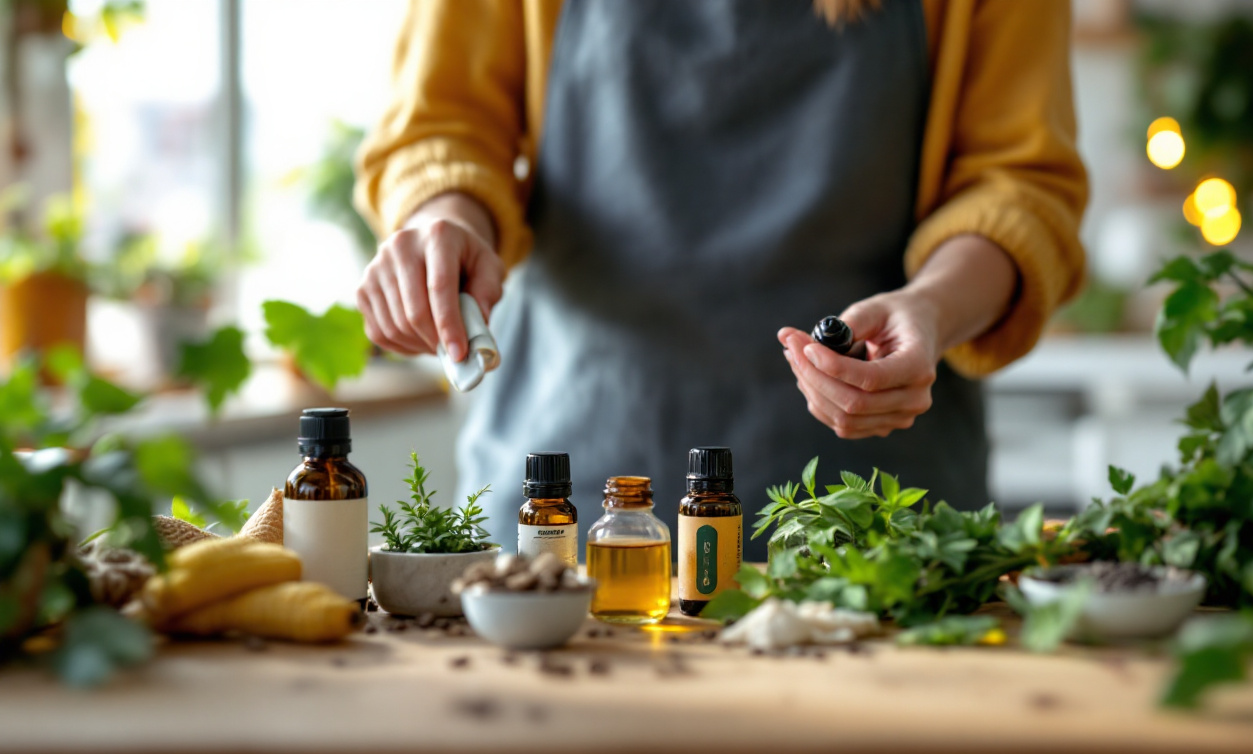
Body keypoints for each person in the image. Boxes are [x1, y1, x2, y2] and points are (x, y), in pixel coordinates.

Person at [355, 0, 1087, 559]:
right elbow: (442, 122)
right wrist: (444, 218)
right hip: (569, 484)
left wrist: (932, 305)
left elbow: (1019, 186)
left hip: (874, 509)